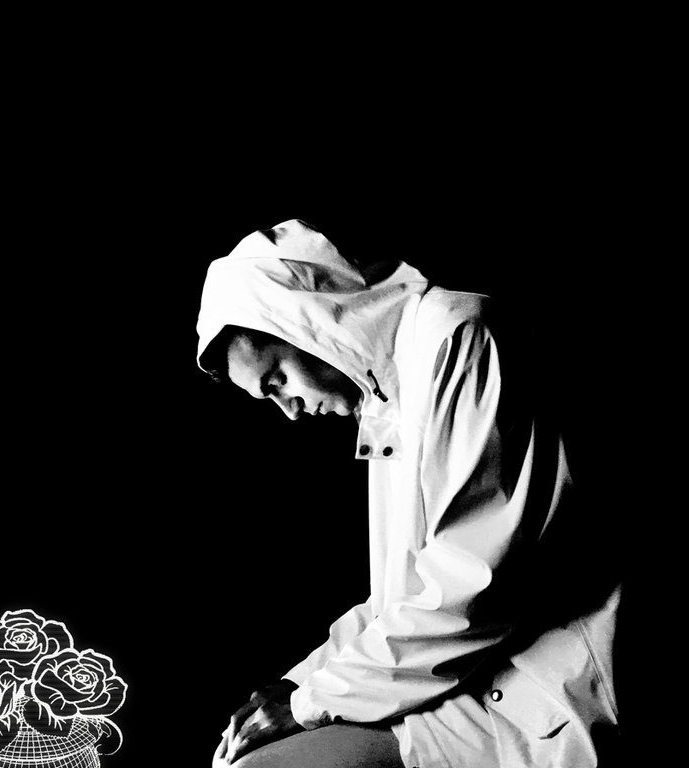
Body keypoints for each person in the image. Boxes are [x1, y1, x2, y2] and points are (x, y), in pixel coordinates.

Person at [196, 220, 622, 768]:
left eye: (277, 379)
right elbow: (398, 599)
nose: (290, 411)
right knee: (237, 757)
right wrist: (294, 685)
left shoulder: (458, 337)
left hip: (536, 694)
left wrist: (307, 704)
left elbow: (474, 591)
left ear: (305, 321)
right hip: (459, 683)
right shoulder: (386, 397)